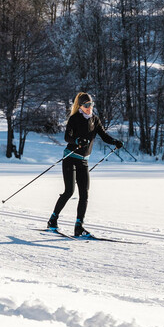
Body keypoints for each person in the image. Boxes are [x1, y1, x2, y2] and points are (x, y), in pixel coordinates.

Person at [47, 92, 122, 237]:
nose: (89, 107)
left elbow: (104, 135)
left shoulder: (95, 119)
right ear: (80, 106)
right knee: (69, 191)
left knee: (85, 194)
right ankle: (52, 220)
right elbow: (67, 136)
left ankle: (78, 226)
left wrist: (115, 142)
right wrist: (77, 141)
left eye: (91, 104)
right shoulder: (74, 118)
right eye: (86, 105)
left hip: (83, 161)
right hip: (70, 158)